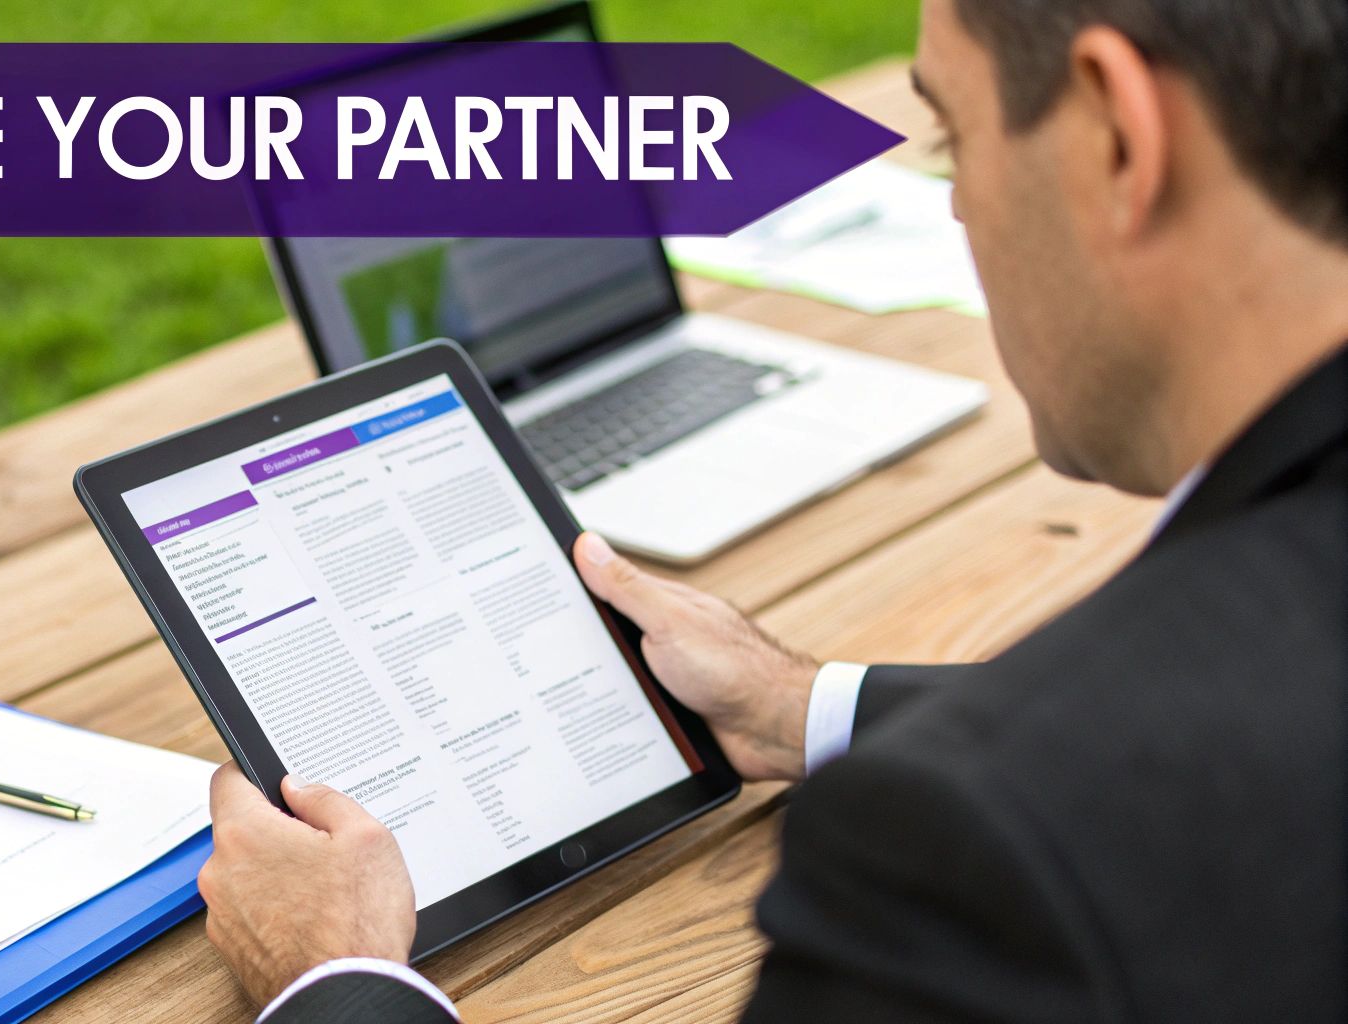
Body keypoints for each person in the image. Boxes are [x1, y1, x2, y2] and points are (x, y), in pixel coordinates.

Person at [198, 0, 1348, 1018]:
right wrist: (803, 706)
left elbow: (1112, 779)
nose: (955, 211)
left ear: (1114, 138)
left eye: (951, 140)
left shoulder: (970, 850)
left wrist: (336, 982)